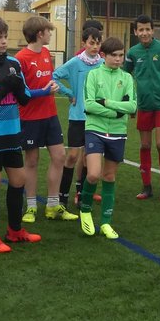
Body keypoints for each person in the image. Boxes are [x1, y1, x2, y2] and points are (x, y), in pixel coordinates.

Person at [0, 14, 50, 253]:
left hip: (13, 133)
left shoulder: (14, 64)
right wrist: (4, 88)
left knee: (18, 180)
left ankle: (15, 231)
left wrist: (17, 87)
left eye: (5, 37)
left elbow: (24, 99)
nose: (3, 41)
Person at [79, 37, 136, 239]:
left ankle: (105, 222)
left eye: (122, 55)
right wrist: (115, 111)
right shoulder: (93, 75)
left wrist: (107, 102)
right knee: (93, 174)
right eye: (114, 55)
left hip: (118, 132)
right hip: (95, 129)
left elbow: (132, 107)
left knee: (110, 177)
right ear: (103, 55)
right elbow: (89, 105)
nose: (119, 59)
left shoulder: (127, 78)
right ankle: (85, 211)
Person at [14, 16, 66, 223]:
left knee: (59, 156)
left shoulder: (45, 52)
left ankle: (53, 205)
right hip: (29, 118)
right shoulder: (20, 58)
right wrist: (42, 92)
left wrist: (59, 89)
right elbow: (21, 92)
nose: (51, 34)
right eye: (48, 31)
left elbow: (47, 80)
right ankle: (32, 206)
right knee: (32, 161)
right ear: (39, 34)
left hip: (50, 115)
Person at [125, 14, 160, 201]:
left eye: (147, 29)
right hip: (144, 105)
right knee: (145, 145)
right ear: (135, 32)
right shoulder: (133, 53)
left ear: (153, 29)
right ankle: (146, 186)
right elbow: (125, 75)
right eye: (140, 29)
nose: (144, 32)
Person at [52, 27, 103, 214]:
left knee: (89, 159)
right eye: (91, 42)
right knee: (73, 156)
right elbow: (54, 76)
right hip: (77, 117)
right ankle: (62, 196)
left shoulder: (103, 64)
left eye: (98, 43)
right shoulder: (75, 63)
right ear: (83, 43)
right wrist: (68, 93)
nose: (95, 46)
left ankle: (81, 195)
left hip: (96, 118)